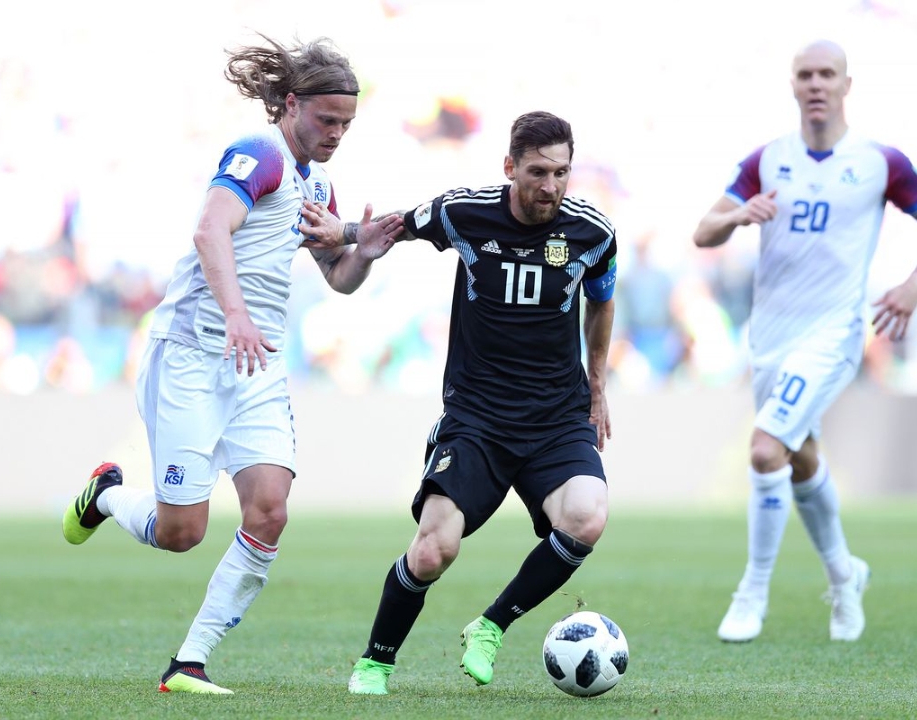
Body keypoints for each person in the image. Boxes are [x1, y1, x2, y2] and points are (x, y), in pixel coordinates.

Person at [60, 33, 403, 694]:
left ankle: (190, 662)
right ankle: (106, 494)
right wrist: (238, 313)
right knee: (181, 531)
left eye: (346, 124)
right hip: (192, 354)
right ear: (292, 104)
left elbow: (338, 275)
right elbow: (209, 229)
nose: (335, 134)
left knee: (269, 510)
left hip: (256, 367)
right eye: (326, 120)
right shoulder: (259, 154)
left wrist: (365, 253)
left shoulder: (319, 181)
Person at [301, 110, 617, 695]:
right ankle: (375, 662)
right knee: (433, 550)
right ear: (509, 168)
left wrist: (597, 384)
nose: (550, 186)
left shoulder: (592, 234)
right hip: (477, 420)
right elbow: (395, 227)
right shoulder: (466, 212)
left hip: (555, 420)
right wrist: (344, 234)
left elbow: (601, 301)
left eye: (562, 173)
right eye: (538, 172)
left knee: (588, 515)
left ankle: (492, 626)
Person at [691, 39, 917, 643]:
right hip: (772, 336)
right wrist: (737, 215)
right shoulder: (767, 159)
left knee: (763, 452)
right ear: (792, 85)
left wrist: (915, 282)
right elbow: (703, 231)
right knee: (799, 455)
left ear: (845, 85)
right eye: (805, 74)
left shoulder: (879, 161)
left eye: (826, 74)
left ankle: (751, 593)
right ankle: (844, 575)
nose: (815, 84)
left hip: (834, 333)